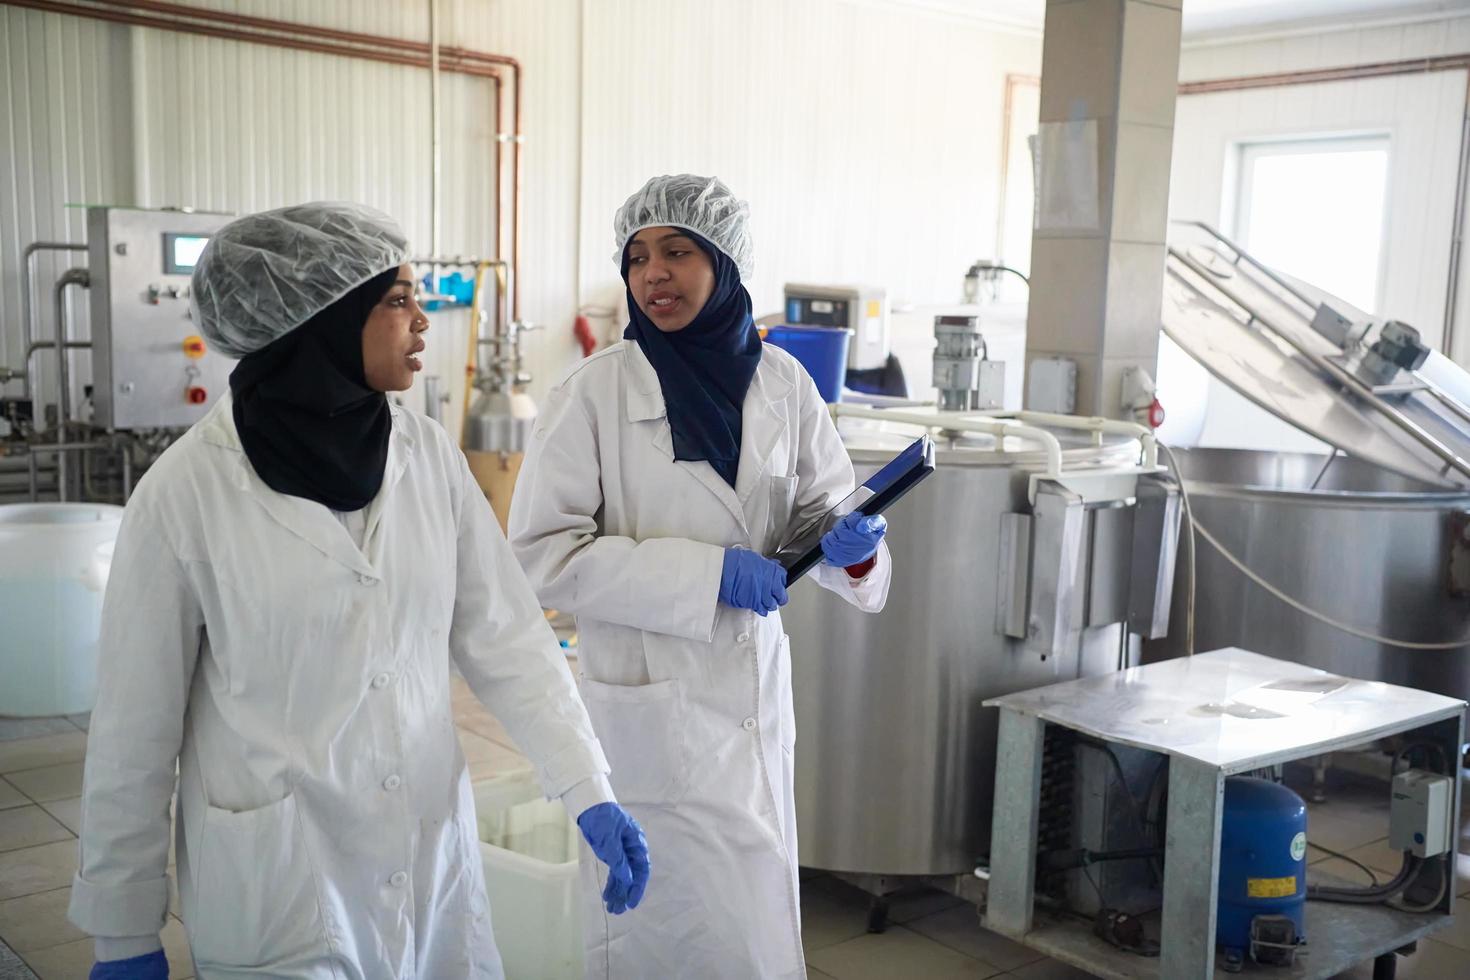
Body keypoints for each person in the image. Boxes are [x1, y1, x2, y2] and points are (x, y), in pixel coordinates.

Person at [68, 202, 649, 980]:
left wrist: (586, 783)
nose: (421, 323)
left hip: (429, 861)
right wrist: (123, 929)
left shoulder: (426, 455)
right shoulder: (185, 494)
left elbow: (505, 635)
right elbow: (133, 733)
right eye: (399, 300)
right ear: (324, 318)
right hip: (280, 883)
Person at [509, 175, 891, 979]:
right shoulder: (592, 394)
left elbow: (819, 510)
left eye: (678, 252)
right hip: (648, 710)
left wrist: (851, 547)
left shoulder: (784, 384)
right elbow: (543, 555)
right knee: (666, 937)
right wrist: (708, 575)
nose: (654, 274)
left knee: (751, 930)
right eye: (638, 257)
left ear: (725, 264)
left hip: (751, 695)